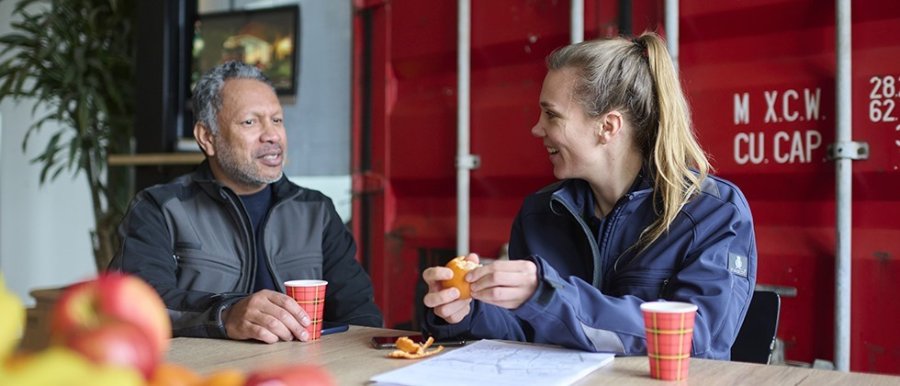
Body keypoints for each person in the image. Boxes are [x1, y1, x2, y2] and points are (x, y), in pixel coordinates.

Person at [421, 32, 756, 360]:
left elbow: (696, 339)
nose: (537, 129)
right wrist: (465, 313)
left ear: (607, 127)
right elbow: (526, 334)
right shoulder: (539, 213)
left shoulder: (714, 213)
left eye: (551, 115)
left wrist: (549, 297)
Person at [110, 61, 383, 343]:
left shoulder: (315, 211)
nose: (272, 135)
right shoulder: (159, 208)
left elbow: (361, 316)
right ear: (207, 137)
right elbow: (136, 304)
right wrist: (225, 314)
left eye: (277, 120)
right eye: (250, 122)